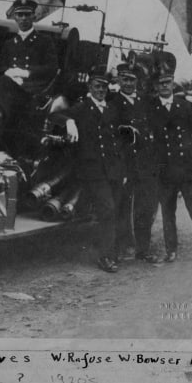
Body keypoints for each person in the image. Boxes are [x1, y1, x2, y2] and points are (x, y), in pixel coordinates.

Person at [150, 64, 192, 262]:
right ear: (155, 86)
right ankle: (171, 251)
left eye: (167, 82)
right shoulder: (151, 108)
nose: (164, 86)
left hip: (187, 168)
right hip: (165, 170)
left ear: (172, 84)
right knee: (168, 213)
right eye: (160, 83)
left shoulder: (185, 106)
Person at [65, 64, 126, 272]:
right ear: (89, 87)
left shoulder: (111, 109)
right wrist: (69, 122)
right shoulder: (81, 108)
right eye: (97, 86)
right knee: (107, 210)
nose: (101, 90)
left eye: (104, 87)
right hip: (93, 171)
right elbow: (56, 115)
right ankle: (105, 257)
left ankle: (112, 250)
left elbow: (119, 138)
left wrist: (121, 168)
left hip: (113, 169)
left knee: (114, 210)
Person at [0, 0, 60, 154]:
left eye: (27, 14)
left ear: (34, 17)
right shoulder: (9, 43)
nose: (23, 18)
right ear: (14, 17)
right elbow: (1, 66)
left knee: (4, 82)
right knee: (3, 79)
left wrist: (27, 73)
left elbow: (52, 68)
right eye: (20, 15)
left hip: (34, 88)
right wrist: (8, 72)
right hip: (11, 87)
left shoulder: (44, 41)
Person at [110, 62, 161, 262]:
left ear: (138, 82)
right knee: (122, 206)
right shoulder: (112, 101)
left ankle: (143, 249)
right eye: (125, 79)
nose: (129, 83)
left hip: (144, 162)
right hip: (124, 162)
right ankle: (122, 248)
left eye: (132, 80)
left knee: (144, 207)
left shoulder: (145, 101)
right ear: (119, 80)